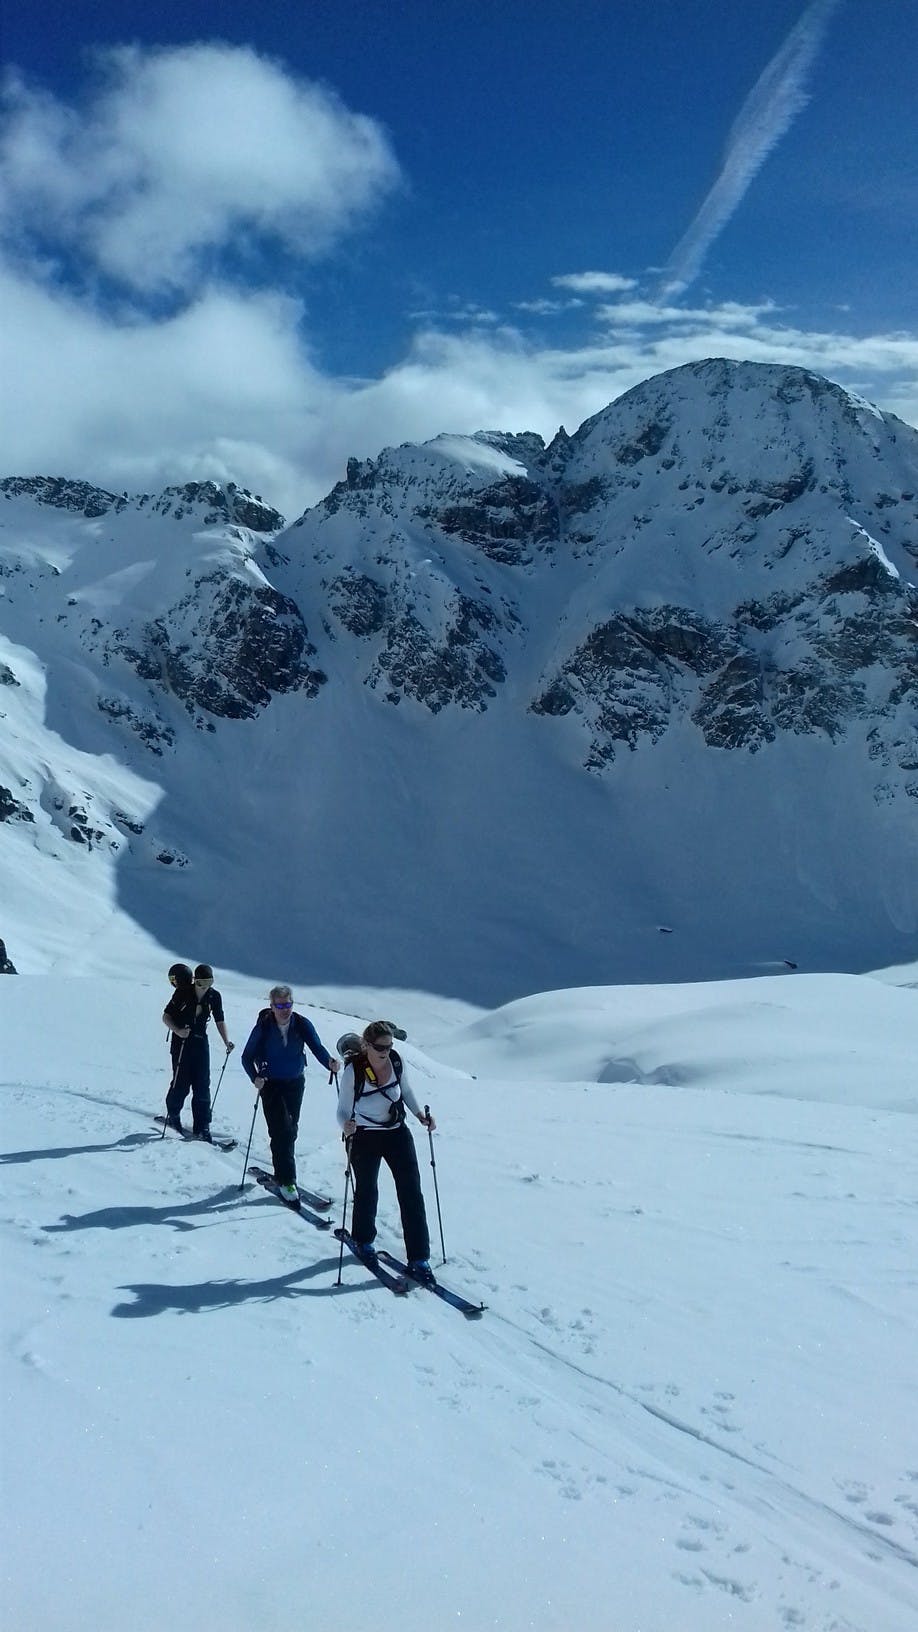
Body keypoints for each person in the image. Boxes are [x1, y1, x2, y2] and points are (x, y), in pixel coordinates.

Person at [337, 1021, 436, 1280]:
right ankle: (363, 1240)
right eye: (380, 1047)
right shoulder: (354, 1071)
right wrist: (346, 1125)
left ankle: (419, 1258)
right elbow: (343, 1109)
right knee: (367, 1189)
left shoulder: (396, 1061)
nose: (386, 1051)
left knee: (411, 1192)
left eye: (389, 1046)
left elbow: (406, 1090)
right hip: (364, 1135)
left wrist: (420, 1115)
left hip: (396, 1133)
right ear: (367, 1045)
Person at [241, 985, 339, 1203]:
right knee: (282, 1130)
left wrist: (329, 1063)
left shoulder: (301, 1024)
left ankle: (282, 1171)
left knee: (290, 1130)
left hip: (295, 1082)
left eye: (288, 1005)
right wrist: (254, 1077)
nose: (285, 1010)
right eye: (280, 1006)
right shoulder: (264, 1027)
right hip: (270, 1084)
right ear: (272, 1007)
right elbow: (246, 1056)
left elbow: (317, 1047)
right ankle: (287, 1180)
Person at [163, 963, 234, 1139]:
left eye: (209, 982)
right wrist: (178, 1031)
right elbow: (166, 1016)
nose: (205, 987)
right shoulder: (183, 993)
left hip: (200, 1042)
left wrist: (226, 1041)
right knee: (181, 1083)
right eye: (202, 983)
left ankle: (202, 1126)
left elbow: (219, 1020)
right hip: (182, 1043)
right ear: (195, 980)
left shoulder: (214, 996)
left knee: (202, 1085)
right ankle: (173, 1115)